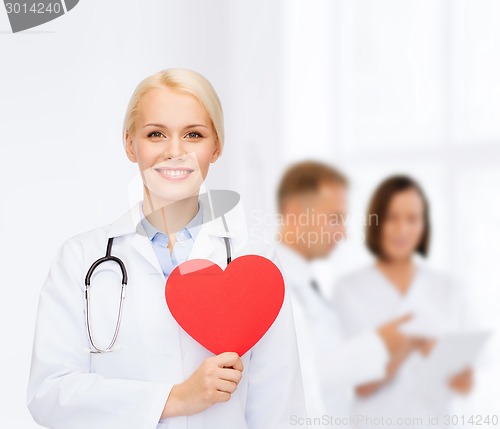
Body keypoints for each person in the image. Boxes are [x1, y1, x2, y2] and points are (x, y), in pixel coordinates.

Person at [26, 68, 306, 429]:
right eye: (156, 134)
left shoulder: (256, 262)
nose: (175, 152)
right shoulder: (80, 259)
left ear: (216, 146)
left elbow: (280, 409)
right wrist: (176, 398)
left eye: (194, 134)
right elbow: (49, 395)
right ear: (130, 144)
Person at [274, 161, 414, 426]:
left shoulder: (309, 285)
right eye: (334, 219)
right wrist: (379, 344)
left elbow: (332, 375)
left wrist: (388, 358)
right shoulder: (271, 284)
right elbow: (297, 380)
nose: (343, 232)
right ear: (294, 214)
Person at [334, 175, 473, 428]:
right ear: (376, 222)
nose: (402, 230)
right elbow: (359, 385)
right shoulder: (349, 290)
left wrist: (442, 359)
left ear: (424, 225)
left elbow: (464, 384)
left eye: (412, 219)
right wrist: (409, 343)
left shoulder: (449, 289)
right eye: (392, 218)